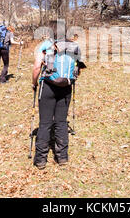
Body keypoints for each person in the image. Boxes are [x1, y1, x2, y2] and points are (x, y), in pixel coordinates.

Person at [31, 20, 83, 170]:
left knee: (45, 123)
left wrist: (34, 84)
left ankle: (41, 160)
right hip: (66, 86)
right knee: (61, 122)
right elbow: (79, 69)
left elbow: (36, 67)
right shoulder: (73, 46)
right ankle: (62, 157)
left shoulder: (46, 45)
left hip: (48, 86)